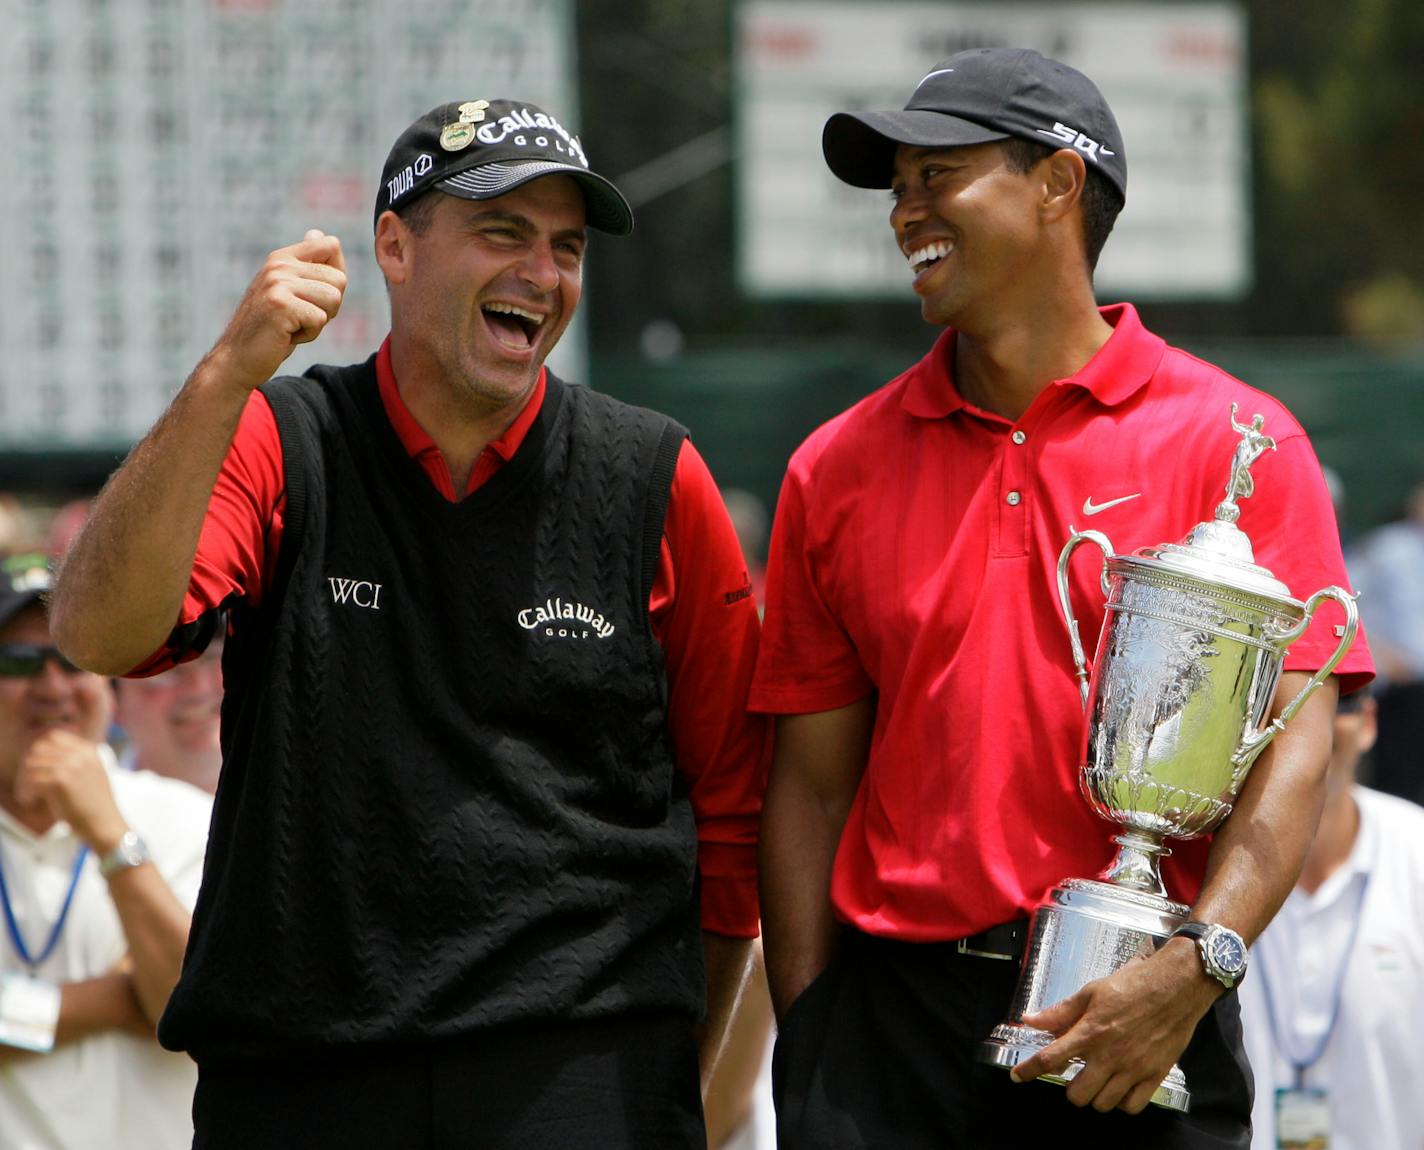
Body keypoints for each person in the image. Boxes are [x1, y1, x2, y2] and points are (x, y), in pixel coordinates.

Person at [49, 98, 768, 1149]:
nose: (542, 272)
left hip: (578, 1071)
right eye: (501, 231)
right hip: (299, 1074)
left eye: (564, 246)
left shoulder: (654, 475)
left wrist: (675, 1086)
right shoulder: (276, 433)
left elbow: (738, 816)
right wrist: (220, 377)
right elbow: (104, 637)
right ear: (393, 244)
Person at [749, 47, 1373, 1148]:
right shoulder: (830, 467)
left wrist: (1195, 968)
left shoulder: (1236, 441)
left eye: (937, 175)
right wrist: (811, 1035)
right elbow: (806, 792)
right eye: (897, 187)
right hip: (887, 1045)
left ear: (1055, 186)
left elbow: (1296, 749)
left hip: (1141, 1023)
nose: (904, 212)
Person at [0, 554, 212, 1150]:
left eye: (75, 659)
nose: (52, 687)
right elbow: (171, 994)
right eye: (18, 661)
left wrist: (111, 838)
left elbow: (194, 1013)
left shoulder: (185, 819)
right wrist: (116, 1002)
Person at [1239, 688, 1424, 1149]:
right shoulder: (1200, 856)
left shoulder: (1416, 851)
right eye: (1288, 696)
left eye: (1339, 699)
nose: (1313, 716)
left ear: (1369, 721)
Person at [1349, 479, 1424, 803]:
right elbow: (1342, 600)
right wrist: (1380, 652)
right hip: (1398, 689)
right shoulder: (1388, 547)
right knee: (1395, 786)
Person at [113, 635, 223, 793]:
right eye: (165, 669)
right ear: (113, 700)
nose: (198, 689)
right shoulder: (79, 812)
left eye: (215, 656)